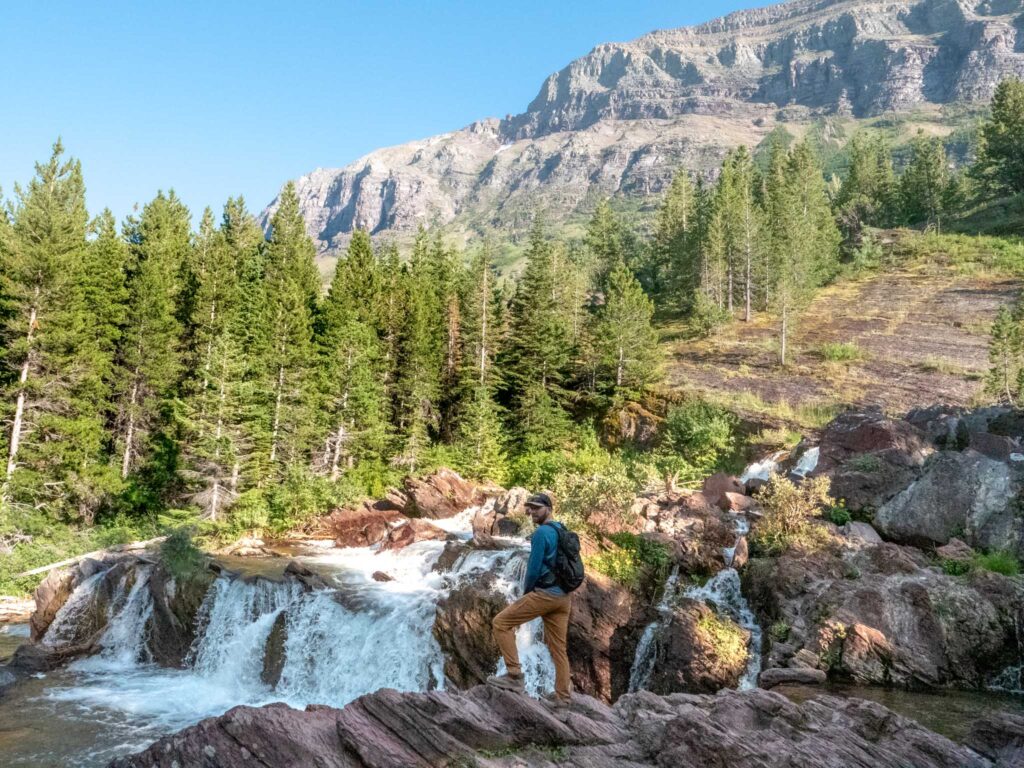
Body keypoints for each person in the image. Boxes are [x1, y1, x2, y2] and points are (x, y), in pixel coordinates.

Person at [487, 492, 573, 712]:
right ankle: (563, 698)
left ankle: (514, 675)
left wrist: (527, 594)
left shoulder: (541, 533)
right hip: (564, 598)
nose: (531, 512)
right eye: (530, 508)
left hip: (544, 595)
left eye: (536, 508)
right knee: (559, 650)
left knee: (500, 623)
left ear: (548, 508)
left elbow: (533, 569)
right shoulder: (561, 529)